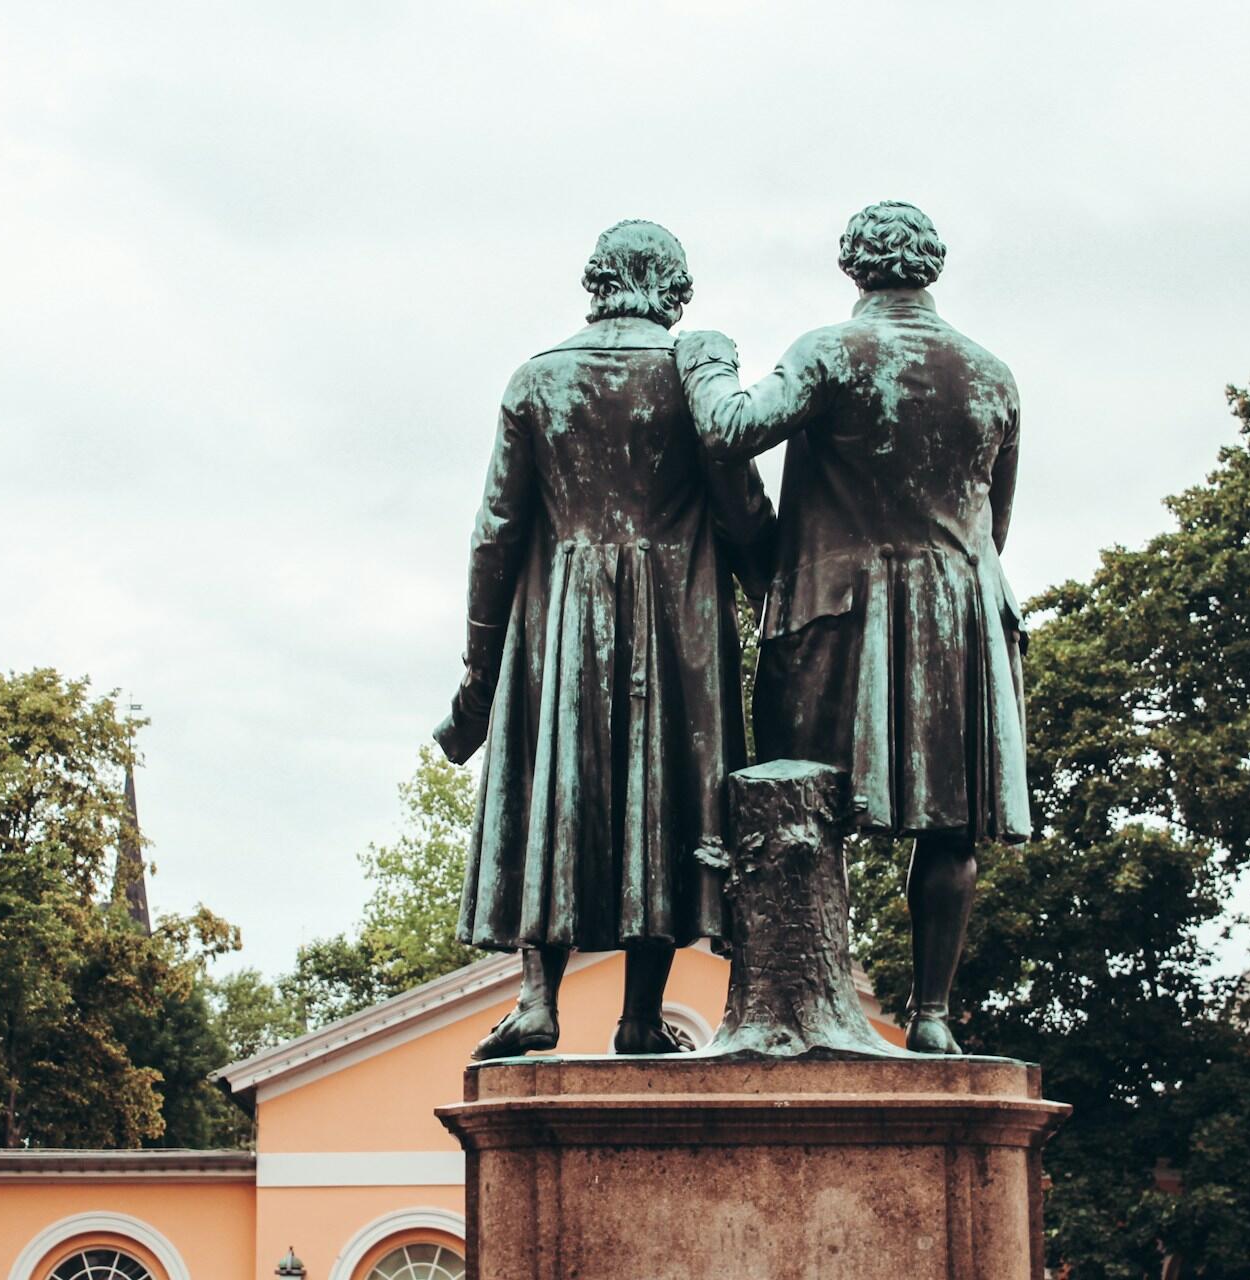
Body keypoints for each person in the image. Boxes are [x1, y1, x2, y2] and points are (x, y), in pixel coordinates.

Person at [674, 201, 1030, 1054]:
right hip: (958, 616)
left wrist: (706, 358)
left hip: (836, 618)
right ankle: (933, 1014)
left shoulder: (831, 349)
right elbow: (996, 521)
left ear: (854, 264)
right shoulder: (992, 374)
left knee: (801, 813)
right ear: (931, 264)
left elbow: (730, 428)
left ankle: (787, 1007)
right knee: (948, 828)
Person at [435, 219, 774, 1059]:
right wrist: (778, 586)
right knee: (661, 800)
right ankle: (639, 1015)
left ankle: (538, 999)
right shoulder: (696, 381)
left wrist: (482, 666)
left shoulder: (537, 381)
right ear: (676, 291)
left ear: (596, 283)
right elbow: (744, 517)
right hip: (678, 623)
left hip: (560, 624)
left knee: (557, 789)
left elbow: (496, 533)